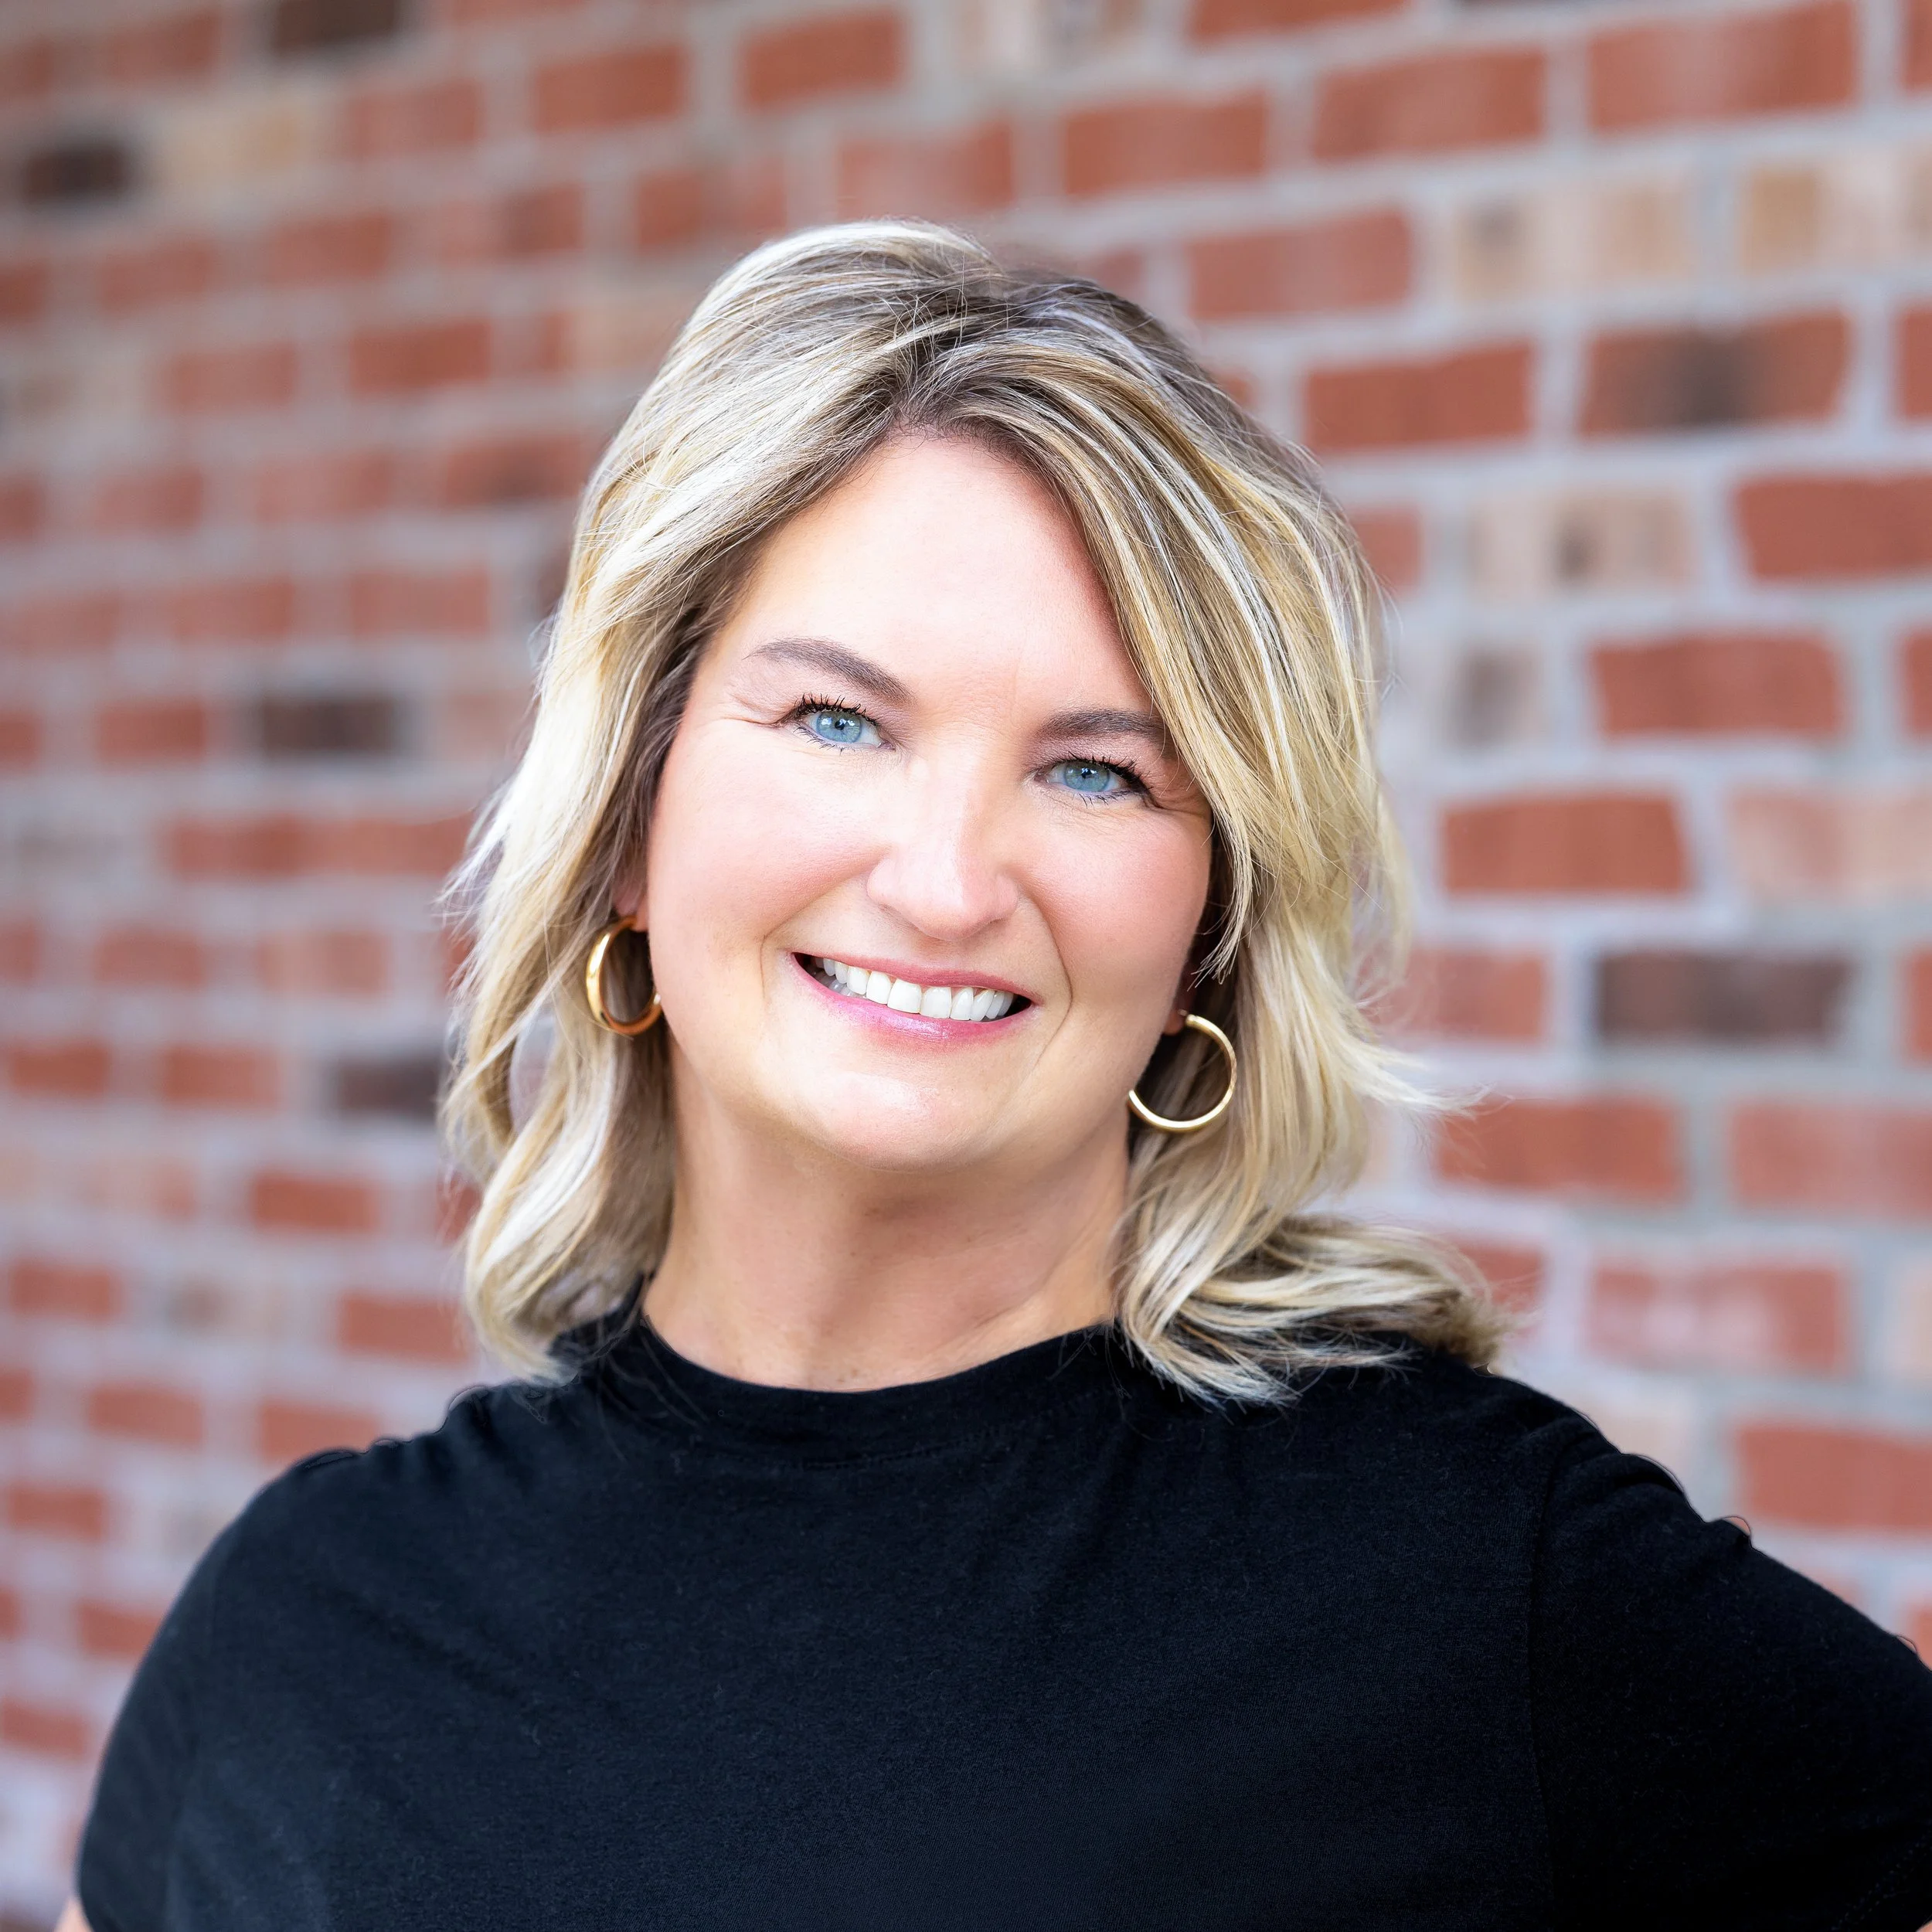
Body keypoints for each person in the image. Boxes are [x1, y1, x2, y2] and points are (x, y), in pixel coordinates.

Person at [65, 221, 1932, 1932]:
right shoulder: (307, 1613)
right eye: (833, 718)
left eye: (1096, 769)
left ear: (1204, 920)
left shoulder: (1468, 1583)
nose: (948, 879)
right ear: (627, 818)